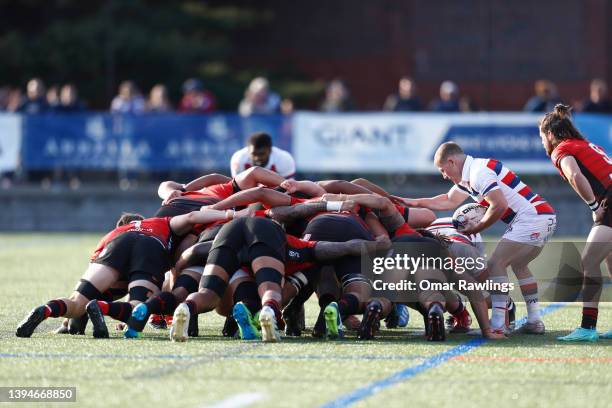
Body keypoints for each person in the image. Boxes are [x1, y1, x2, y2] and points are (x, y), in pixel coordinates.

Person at [402, 142, 557, 335]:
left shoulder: (478, 173)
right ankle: (534, 321)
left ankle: (498, 324)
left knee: (495, 264)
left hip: (532, 217)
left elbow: (498, 205)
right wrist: (412, 202)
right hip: (543, 215)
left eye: (443, 170)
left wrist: (478, 227)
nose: (443, 175)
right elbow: (448, 200)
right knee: (519, 265)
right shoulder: (470, 175)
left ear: (451, 161)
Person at [15, 209, 234, 338]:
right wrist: (228, 212)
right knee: (137, 307)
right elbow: (194, 216)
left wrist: (68, 323)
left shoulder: (114, 233)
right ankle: (101, 307)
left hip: (115, 246)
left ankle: (45, 310)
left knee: (76, 302)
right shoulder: (160, 223)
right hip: (151, 247)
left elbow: (104, 281)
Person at [539, 104, 612, 342]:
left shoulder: (561, 149)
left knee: (589, 260)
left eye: (542, 137)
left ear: (550, 134)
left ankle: (588, 327)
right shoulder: (584, 145)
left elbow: (574, 175)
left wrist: (593, 207)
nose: (542, 143)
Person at [230, 132, 296, 178]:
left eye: (261, 154)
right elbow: (236, 187)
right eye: (254, 154)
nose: (257, 158)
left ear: (270, 151)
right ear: (248, 151)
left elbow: (289, 189)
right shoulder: (238, 159)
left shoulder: (284, 159)